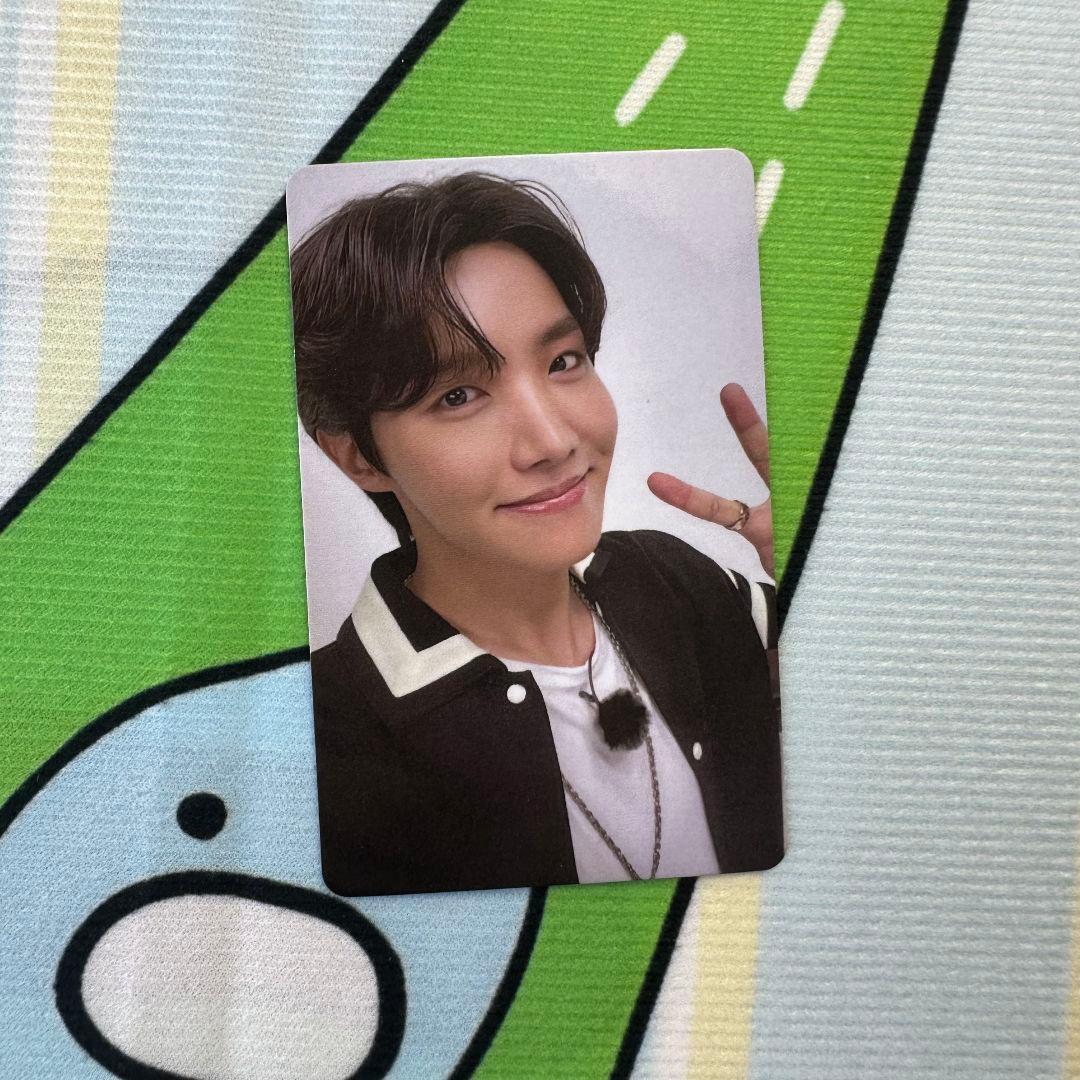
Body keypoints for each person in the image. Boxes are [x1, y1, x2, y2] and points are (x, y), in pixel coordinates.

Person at [289, 171, 783, 896]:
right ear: (359, 456)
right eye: (459, 395)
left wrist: (832, 555)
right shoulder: (326, 738)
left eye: (563, 362)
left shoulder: (674, 578)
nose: (553, 441)